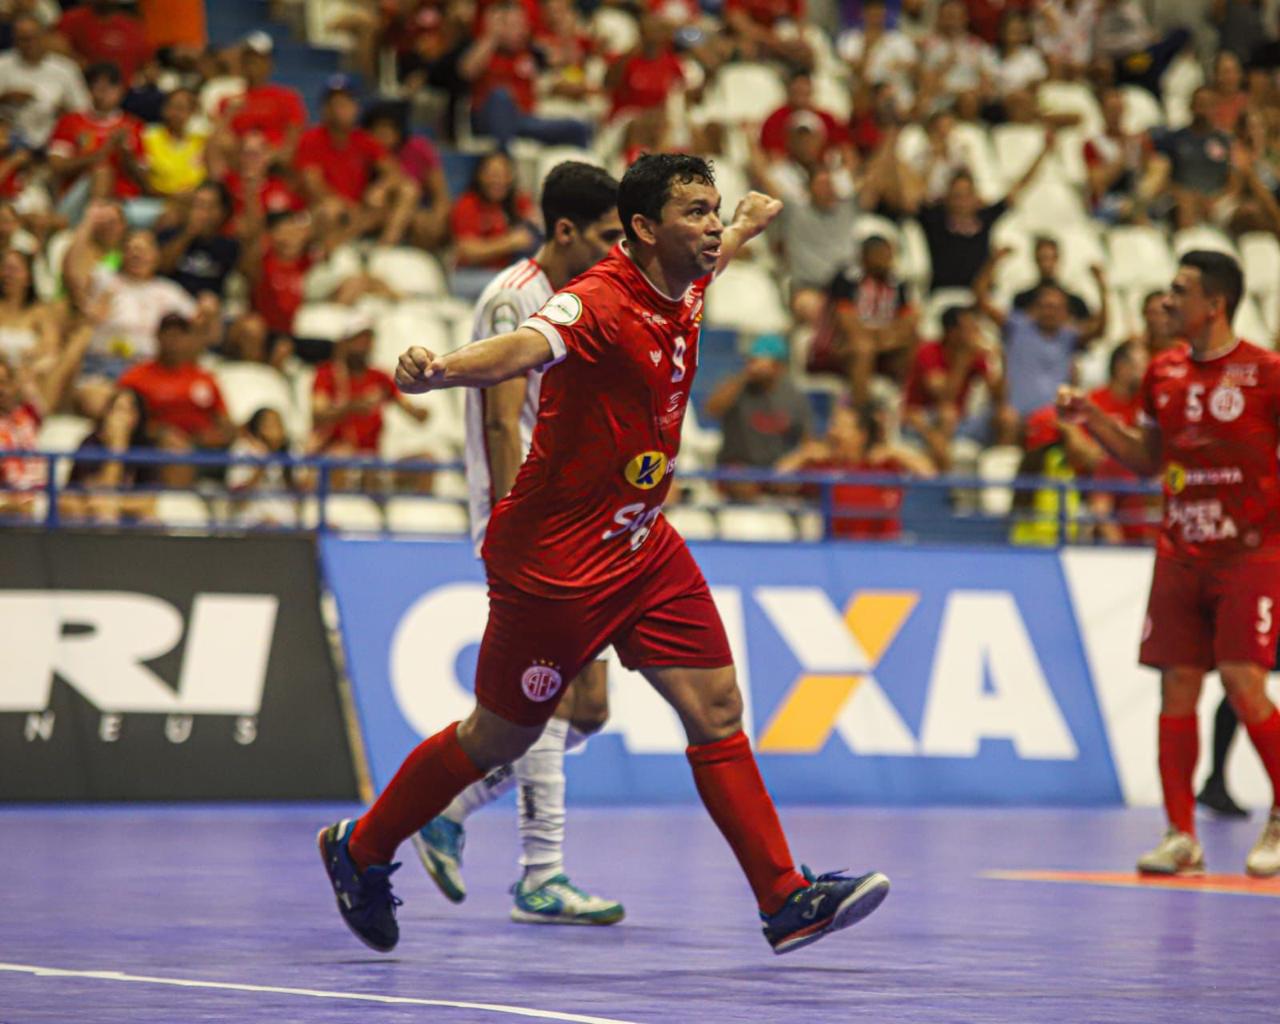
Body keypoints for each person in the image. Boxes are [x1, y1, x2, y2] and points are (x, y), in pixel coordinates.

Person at [318, 154, 890, 955]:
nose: (713, 225)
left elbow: (715, 258)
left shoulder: (682, 274)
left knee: (717, 710)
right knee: (498, 738)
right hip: (556, 562)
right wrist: (441, 369)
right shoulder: (592, 302)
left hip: (641, 540)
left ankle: (784, 898)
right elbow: (521, 349)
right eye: (696, 212)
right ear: (645, 230)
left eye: (716, 208)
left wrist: (752, 223)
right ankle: (363, 847)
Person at [411, 161, 626, 925]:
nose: (614, 252)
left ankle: (452, 809)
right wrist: (515, 527)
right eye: (604, 236)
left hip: (581, 520)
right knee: (553, 696)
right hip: (532, 524)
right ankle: (542, 875)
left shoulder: (586, 295)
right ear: (563, 231)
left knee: (589, 706)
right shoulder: (514, 300)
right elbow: (503, 420)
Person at [1058, 250, 1280, 878]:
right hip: (1181, 552)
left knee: (1242, 679)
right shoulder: (1163, 372)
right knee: (1176, 686)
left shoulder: (1266, 373)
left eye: (1179, 291)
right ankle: (1181, 834)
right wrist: (1093, 419)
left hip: (1251, 553)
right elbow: (1146, 459)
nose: (1165, 300)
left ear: (1215, 304)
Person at [709, 333, 814, 502]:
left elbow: (808, 442)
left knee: (801, 481)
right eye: (752, 360)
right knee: (741, 481)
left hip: (775, 470)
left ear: (779, 367)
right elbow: (712, 410)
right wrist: (745, 376)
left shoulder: (794, 397)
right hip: (737, 467)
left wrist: (794, 461)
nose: (755, 365)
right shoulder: (738, 387)